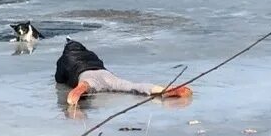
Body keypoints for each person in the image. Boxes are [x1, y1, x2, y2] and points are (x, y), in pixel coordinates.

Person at [55, 38, 193, 105]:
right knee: (131, 86)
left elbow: (59, 78)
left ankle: (79, 91)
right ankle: (162, 89)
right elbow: (100, 63)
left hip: (85, 75)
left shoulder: (64, 58)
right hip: (105, 74)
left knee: (87, 85)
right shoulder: (90, 53)